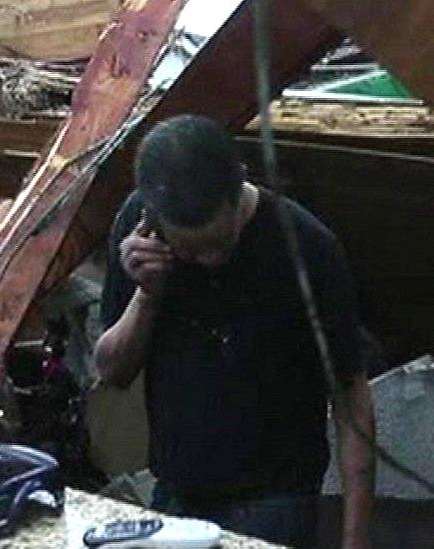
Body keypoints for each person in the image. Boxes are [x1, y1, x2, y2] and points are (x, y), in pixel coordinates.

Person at [94, 115, 375, 547]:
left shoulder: (306, 247)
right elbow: (112, 373)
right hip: (176, 491)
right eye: (191, 251)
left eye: (221, 242)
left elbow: (351, 395)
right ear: (153, 217)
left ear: (238, 184)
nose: (208, 260)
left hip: (276, 498)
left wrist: (355, 540)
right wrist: (147, 295)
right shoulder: (139, 233)